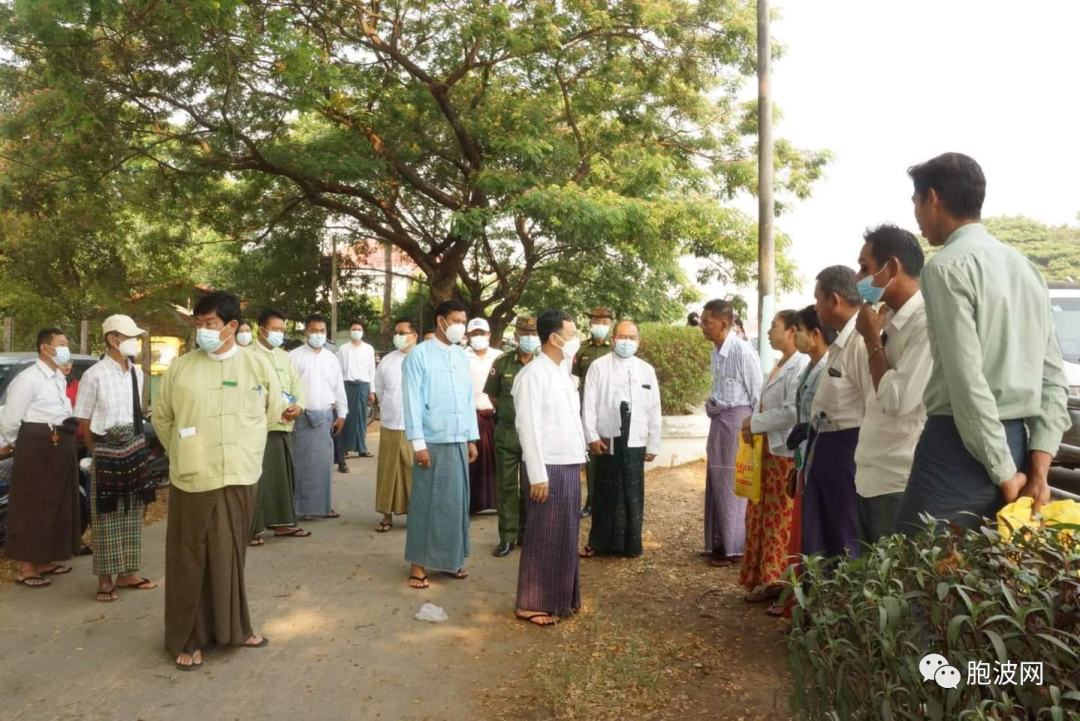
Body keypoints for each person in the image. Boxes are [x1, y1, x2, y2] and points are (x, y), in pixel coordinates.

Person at [896, 153, 1070, 534]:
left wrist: (1005, 474)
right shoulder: (1026, 268)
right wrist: (1036, 471)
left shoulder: (945, 268)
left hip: (960, 447)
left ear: (933, 198)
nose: (916, 215)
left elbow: (967, 383)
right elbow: (1052, 376)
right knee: (989, 582)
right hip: (1018, 445)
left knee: (915, 576)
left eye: (915, 202)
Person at [154, 290, 285, 670]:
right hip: (194, 475)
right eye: (199, 324)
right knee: (190, 557)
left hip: (240, 472)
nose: (202, 331)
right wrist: (182, 450)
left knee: (230, 554)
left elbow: (273, 408)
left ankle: (235, 628)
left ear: (231, 326)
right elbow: (162, 418)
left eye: (209, 324)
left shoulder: (257, 365)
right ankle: (189, 637)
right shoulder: (181, 368)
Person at [852, 225, 932, 544]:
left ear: (892, 268)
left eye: (865, 267)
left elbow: (896, 401)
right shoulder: (886, 319)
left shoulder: (925, 323)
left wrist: (872, 339)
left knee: (893, 587)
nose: (859, 279)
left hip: (899, 481)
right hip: (871, 474)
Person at [511, 309, 589, 625]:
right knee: (543, 533)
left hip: (568, 461)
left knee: (566, 533)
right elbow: (528, 427)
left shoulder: (561, 373)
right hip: (547, 467)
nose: (576, 340)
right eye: (571, 335)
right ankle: (530, 602)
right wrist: (538, 475)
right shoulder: (532, 375)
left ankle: (561, 597)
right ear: (554, 338)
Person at [74, 315, 158, 602]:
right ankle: (105, 579)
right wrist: (95, 452)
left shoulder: (138, 373)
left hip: (133, 446)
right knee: (106, 514)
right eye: (129, 336)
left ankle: (127, 572)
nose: (135, 341)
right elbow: (83, 420)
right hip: (105, 448)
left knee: (133, 512)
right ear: (113, 339)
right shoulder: (94, 375)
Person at [402, 300, 479, 589]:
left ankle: (452, 559)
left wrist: (471, 438)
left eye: (464, 320)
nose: (460, 325)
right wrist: (418, 443)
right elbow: (411, 400)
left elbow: (468, 398)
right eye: (456, 319)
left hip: (458, 439)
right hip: (432, 440)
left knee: (456, 504)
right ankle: (418, 565)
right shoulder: (419, 356)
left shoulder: (461, 356)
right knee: (426, 503)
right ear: (441, 320)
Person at [766, 306, 835, 618]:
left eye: (800, 331)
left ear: (815, 335)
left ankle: (807, 606)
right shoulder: (811, 367)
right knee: (800, 535)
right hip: (804, 458)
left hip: (822, 460)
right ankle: (796, 602)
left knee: (812, 537)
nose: (796, 337)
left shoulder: (827, 367)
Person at [1, 328, 80, 588]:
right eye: (62, 344)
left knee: (56, 503)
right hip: (35, 446)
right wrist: (19, 445)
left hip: (59, 444)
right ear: (45, 348)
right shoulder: (28, 379)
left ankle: (45, 559)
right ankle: (27, 567)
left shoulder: (57, 377)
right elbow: (11, 419)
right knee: (31, 506)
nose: (66, 349)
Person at [740, 311, 807, 602]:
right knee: (763, 514)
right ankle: (766, 579)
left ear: (791, 331)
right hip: (769, 451)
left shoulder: (800, 365)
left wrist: (755, 423)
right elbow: (765, 404)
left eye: (774, 327)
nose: (769, 333)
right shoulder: (779, 365)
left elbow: (792, 411)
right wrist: (754, 424)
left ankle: (781, 584)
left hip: (786, 453)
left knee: (781, 518)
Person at [580, 320, 661, 558]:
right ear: (613, 339)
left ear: (639, 341)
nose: (626, 342)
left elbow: (654, 408)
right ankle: (599, 543)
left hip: (635, 438)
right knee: (605, 490)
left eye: (632, 338)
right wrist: (591, 436)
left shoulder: (646, 370)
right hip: (607, 437)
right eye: (622, 337)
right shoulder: (598, 366)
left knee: (632, 491)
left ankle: (631, 545)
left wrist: (653, 442)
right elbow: (589, 404)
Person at [805, 266, 871, 560]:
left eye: (818, 299)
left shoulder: (860, 340)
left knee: (842, 537)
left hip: (848, 452)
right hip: (828, 447)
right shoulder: (843, 340)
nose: (815, 307)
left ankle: (841, 602)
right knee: (823, 536)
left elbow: (874, 403)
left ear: (834, 300)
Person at [700, 299, 763, 568]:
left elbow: (757, 394)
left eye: (707, 322)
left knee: (733, 483)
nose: (702, 327)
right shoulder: (716, 351)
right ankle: (718, 542)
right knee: (716, 480)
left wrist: (753, 429)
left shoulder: (742, 351)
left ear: (724, 324)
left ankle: (734, 547)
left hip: (738, 422)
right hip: (719, 420)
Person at [249, 307, 310, 546]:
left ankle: (283, 523)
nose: (279, 334)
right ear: (261, 329)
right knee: (257, 479)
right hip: (258, 427)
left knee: (283, 478)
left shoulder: (285, 356)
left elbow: (297, 386)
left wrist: (300, 407)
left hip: (284, 425)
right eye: (275, 329)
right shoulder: (247, 355)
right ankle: (251, 529)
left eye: (282, 330)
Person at [485, 316, 540, 557]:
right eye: (524, 333)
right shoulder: (503, 362)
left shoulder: (544, 364)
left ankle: (528, 533)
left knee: (532, 486)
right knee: (506, 485)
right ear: (516, 336)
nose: (528, 338)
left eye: (533, 334)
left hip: (535, 436)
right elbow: (494, 397)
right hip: (507, 432)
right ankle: (507, 537)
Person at [290, 314, 348, 520]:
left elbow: (338, 387)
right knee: (301, 466)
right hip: (301, 418)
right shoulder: (294, 356)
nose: (318, 334)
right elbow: (286, 388)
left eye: (322, 331)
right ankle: (300, 509)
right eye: (314, 330)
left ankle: (323, 507)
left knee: (323, 465)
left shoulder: (331, 358)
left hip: (325, 417)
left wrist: (342, 414)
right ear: (306, 332)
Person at [371, 318, 419, 533]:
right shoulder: (388, 360)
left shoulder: (423, 359)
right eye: (396, 332)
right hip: (390, 423)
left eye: (403, 332)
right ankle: (386, 515)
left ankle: (415, 515)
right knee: (388, 470)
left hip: (417, 425)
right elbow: (379, 389)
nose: (398, 336)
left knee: (414, 470)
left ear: (414, 335)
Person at [573, 307, 613, 518]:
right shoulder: (581, 351)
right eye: (596, 322)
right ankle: (591, 501)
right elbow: (574, 379)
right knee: (592, 457)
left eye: (604, 322)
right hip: (586, 410)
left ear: (610, 325)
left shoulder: (615, 348)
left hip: (610, 410)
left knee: (611, 455)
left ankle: (608, 500)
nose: (600, 326)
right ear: (590, 324)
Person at [466, 318, 502, 515]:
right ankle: (474, 504)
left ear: (489, 335)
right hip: (473, 417)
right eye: (474, 334)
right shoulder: (462, 356)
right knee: (474, 460)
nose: (478, 337)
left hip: (495, 416)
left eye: (482, 333)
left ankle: (497, 503)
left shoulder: (500, 356)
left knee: (497, 461)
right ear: (468, 336)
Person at [336, 320, 376, 471]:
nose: (356, 331)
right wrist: (338, 390)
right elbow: (339, 370)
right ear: (350, 331)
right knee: (347, 416)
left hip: (363, 385)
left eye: (359, 329)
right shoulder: (343, 349)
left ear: (363, 332)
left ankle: (362, 448)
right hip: (347, 385)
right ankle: (345, 448)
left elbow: (372, 369)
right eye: (354, 329)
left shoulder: (369, 349)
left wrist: (372, 390)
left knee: (361, 416)